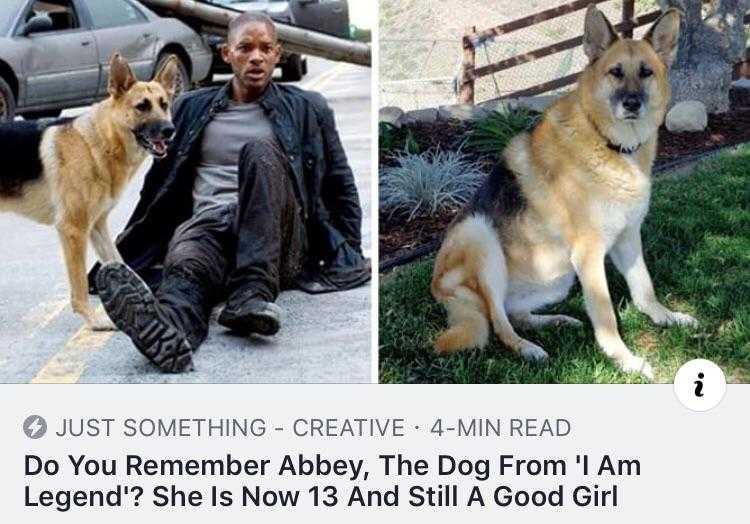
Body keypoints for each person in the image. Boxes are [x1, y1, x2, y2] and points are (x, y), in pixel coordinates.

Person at [90, 12, 370, 373]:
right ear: (227, 53)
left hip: (278, 238)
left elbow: (340, 183)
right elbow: (158, 188)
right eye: (245, 48)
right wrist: (139, 245)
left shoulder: (307, 107)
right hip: (209, 227)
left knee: (259, 152)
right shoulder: (191, 108)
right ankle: (169, 330)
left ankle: (251, 294)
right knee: (188, 270)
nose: (256, 56)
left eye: (266, 48)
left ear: (277, 54)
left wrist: (347, 250)